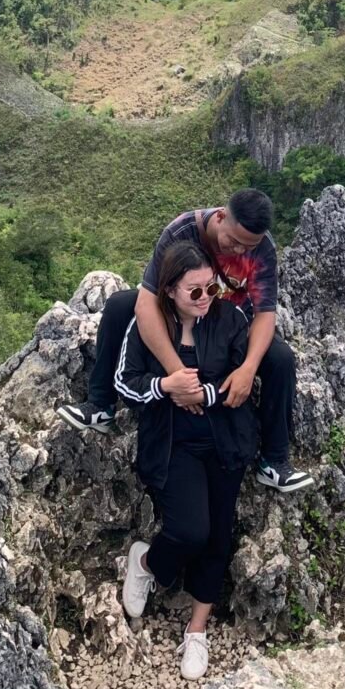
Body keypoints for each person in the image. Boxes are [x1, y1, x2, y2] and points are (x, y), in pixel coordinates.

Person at [56, 188, 313, 493]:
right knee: (119, 305)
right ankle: (100, 404)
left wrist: (248, 367)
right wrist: (177, 373)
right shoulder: (181, 232)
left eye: (249, 247)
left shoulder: (263, 249)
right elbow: (147, 303)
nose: (240, 251)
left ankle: (274, 462)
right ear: (220, 217)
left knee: (281, 359)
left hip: (229, 323)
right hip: (179, 311)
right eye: (234, 241)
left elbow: (265, 314)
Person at [113, 241, 258, 679]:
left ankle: (197, 630)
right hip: (173, 444)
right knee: (191, 530)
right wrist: (166, 387)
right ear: (170, 290)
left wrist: (202, 394)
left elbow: (243, 380)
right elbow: (125, 381)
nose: (204, 299)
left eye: (210, 289)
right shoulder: (149, 325)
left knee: (218, 537)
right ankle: (146, 563)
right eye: (193, 291)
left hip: (225, 441)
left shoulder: (230, 320)